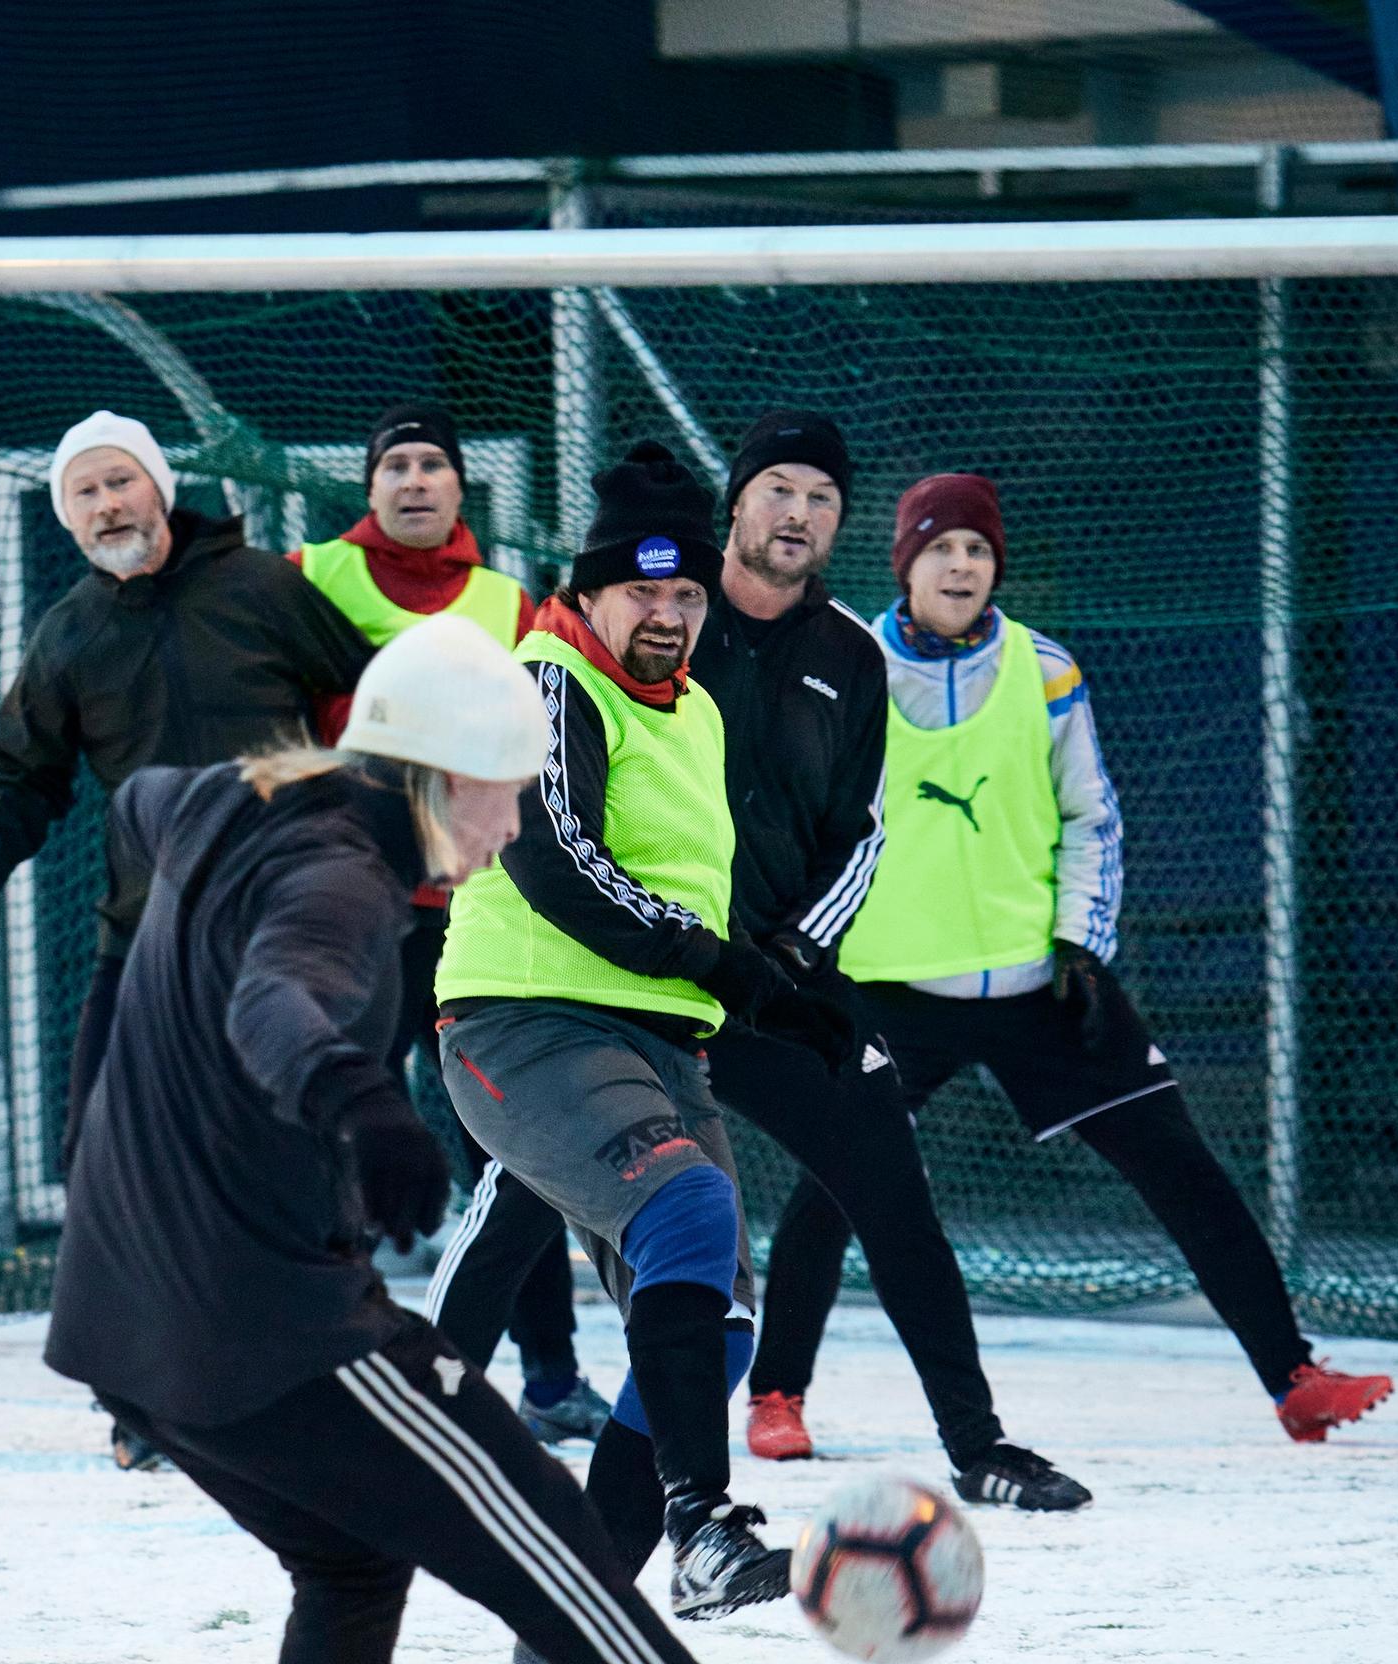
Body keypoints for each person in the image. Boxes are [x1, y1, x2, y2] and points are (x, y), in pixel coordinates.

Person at [43, 611, 923, 1664]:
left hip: (123, 1321)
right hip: (271, 1322)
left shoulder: (227, 799)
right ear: (440, 771)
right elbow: (279, 999)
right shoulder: (339, 876)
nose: (517, 823)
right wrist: (362, 1109)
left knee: (346, 1564)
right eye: (510, 787)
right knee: (556, 1543)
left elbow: (139, 804)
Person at [430, 410, 1091, 1547]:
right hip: (590, 986)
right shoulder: (598, 651)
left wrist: (781, 968)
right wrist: (718, 961)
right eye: (775, 489)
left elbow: (861, 830)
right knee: (558, 1200)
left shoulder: (837, 654)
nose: (795, 513)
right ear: (734, 508)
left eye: (820, 496)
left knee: (870, 1169)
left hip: (741, 981)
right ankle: (458, 1431)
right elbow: (557, 848)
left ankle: (969, 1441)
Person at [758, 472, 1395, 1447]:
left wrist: (1081, 949)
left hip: (1036, 985)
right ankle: (776, 1396)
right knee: (835, 1184)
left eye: (976, 550)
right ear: (904, 564)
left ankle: (1292, 1375)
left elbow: (1090, 818)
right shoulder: (848, 666)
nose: (960, 565)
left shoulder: (1046, 669)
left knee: (1183, 1168)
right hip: (888, 984)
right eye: (940, 548)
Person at [434, 440, 854, 1643]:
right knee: (684, 1215)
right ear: (587, 596)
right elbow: (557, 864)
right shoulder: (543, 682)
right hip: (525, 1021)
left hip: (657, 1041)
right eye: (641, 592)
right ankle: (703, 1526)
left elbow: (695, 905)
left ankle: (572, 1624)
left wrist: (775, 991)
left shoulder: (700, 713)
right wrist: (733, 971)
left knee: (717, 1333)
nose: (667, 612)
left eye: (683, 594)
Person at [0, 409, 374, 1467]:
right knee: (106, 1161)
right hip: (145, 943)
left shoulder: (264, 590)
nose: (105, 506)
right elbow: (26, 780)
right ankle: (146, 1401)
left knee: (298, 1161)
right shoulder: (70, 635)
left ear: (157, 488)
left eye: (119, 483)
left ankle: (335, 1382)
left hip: (281, 933)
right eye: (83, 493)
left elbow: (368, 699)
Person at [293, 403, 607, 1449]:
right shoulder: (310, 579)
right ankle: (315, 1356)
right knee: (331, 1128)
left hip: (470, 910)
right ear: (369, 484)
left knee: (507, 1149)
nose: (416, 480)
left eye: (433, 464)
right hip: (352, 902)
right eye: (397, 464)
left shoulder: (505, 603)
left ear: (461, 488)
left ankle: (551, 1377)